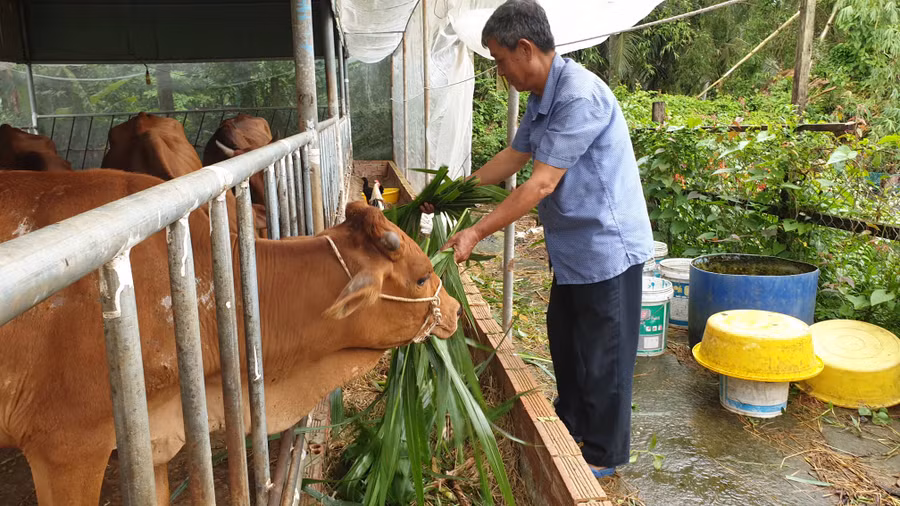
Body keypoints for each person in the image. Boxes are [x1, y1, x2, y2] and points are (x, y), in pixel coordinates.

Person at [425, 0, 654, 478]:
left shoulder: (579, 96)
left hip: (606, 248)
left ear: (525, 48)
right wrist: (457, 190)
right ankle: (569, 426)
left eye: (500, 60)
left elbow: (540, 183)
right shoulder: (540, 98)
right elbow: (514, 156)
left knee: (603, 354)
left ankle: (602, 457)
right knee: (566, 340)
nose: (500, 72)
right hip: (572, 250)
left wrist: (475, 231)